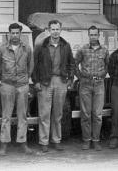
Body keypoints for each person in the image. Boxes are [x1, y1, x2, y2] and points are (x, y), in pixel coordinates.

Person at [33, 19, 76, 152]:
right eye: (53, 29)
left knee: (58, 114)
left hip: (60, 81)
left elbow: (71, 64)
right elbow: (34, 65)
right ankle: (44, 141)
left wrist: (70, 79)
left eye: (57, 29)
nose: (55, 32)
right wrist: (36, 82)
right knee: (44, 113)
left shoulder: (66, 46)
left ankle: (56, 140)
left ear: (60, 30)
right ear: (48, 30)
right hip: (45, 82)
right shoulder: (41, 45)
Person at [0, 23, 34, 156]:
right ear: (9, 33)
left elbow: (30, 66)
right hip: (7, 85)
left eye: (17, 33)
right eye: (13, 33)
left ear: (20, 34)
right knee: (6, 115)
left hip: (22, 85)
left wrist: (24, 80)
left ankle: (22, 142)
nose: (15, 35)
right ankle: (4, 144)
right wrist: (6, 79)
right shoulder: (1, 49)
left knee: (22, 115)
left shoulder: (27, 48)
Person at [75, 25, 109, 151]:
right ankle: (86, 140)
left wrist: (103, 75)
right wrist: (80, 77)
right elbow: (74, 64)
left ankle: (96, 140)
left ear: (98, 35)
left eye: (95, 34)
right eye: (91, 34)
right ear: (88, 35)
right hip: (86, 85)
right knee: (85, 114)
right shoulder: (83, 49)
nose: (93, 37)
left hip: (99, 84)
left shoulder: (104, 50)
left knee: (97, 114)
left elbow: (107, 65)